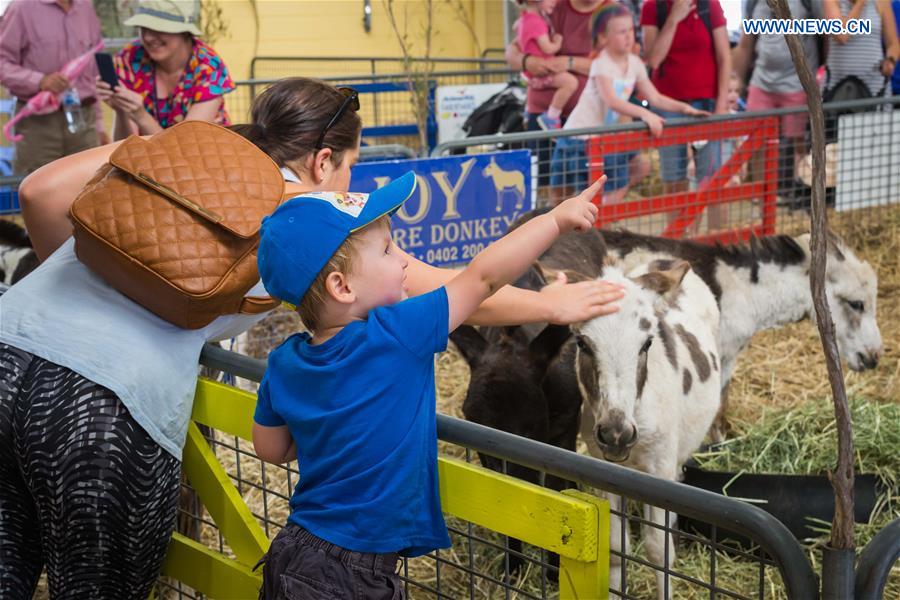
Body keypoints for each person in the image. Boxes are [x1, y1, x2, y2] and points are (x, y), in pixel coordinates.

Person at [0, 77, 623, 600]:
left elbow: (38, 192)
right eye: (351, 168)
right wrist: (547, 300)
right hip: (104, 405)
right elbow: (458, 283)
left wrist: (113, 276)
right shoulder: (303, 222)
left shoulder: (185, 151)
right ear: (324, 161)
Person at [252, 157, 606, 597]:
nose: (404, 261)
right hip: (353, 575)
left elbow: (269, 449)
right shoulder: (398, 333)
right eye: (387, 251)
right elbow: (483, 277)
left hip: (293, 551)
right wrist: (554, 219)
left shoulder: (284, 362)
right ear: (342, 287)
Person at [551, 3, 707, 205]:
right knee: (574, 193)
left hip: (602, 140)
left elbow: (655, 97)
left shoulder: (634, 64)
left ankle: (599, 217)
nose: (629, 36)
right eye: (621, 32)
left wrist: (685, 108)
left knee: (628, 175)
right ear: (603, 38)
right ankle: (593, 219)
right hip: (579, 137)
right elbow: (612, 101)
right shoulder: (601, 64)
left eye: (631, 30)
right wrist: (645, 114)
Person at [96, 0, 235, 141]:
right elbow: (123, 147)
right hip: (147, 159)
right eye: (143, 28)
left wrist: (141, 116)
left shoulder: (209, 67)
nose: (148, 37)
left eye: (158, 28)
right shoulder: (130, 58)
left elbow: (183, 150)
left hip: (206, 155)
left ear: (185, 32)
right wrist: (121, 111)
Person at [505, 0, 606, 187]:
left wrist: (569, 62)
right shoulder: (550, 5)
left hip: (588, 118)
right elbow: (512, 50)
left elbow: (614, 65)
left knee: (585, 185)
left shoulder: (610, 12)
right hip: (543, 113)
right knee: (545, 182)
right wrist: (526, 61)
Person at [0, 0, 104, 175]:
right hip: (38, 124)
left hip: (83, 119)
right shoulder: (21, 8)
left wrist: (99, 125)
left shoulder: (85, 7)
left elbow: (93, 69)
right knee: (38, 189)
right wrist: (39, 81)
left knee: (87, 186)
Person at [734, 0, 824, 198]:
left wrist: (821, 76)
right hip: (762, 82)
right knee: (756, 141)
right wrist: (737, 80)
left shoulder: (808, 2)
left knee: (798, 142)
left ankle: (796, 192)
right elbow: (745, 43)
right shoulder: (754, 3)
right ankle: (760, 194)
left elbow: (825, 34)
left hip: (798, 83)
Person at [640, 0, 731, 195]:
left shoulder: (709, 5)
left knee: (710, 177)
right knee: (674, 177)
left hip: (707, 104)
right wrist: (673, 18)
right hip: (668, 105)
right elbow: (654, 60)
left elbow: (724, 56)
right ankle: (679, 226)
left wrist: (722, 104)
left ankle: (706, 226)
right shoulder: (652, 7)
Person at [517, 0, 580, 129]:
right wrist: (558, 42)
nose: (555, 2)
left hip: (533, 73)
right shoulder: (537, 23)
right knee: (571, 83)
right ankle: (551, 116)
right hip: (543, 71)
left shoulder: (524, 18)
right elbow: (548, 49)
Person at [823, 0, 899, 100]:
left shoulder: (881, 2)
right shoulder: (832, 2)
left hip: (875, 87)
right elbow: (841, 35)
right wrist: (860, 4)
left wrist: (890, 60)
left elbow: (893, 44)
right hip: (838, 89)